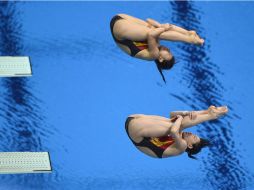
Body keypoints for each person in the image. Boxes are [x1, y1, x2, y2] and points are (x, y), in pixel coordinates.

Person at [110, 13, 204, 82]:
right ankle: (188, 33)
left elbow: (151, 34)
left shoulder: (154, 55)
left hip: (119, 28)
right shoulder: (155, 47)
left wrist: (163, 28)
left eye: (169, 53)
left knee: (157, 32)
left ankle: (190, 39)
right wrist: (160, 26)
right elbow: (149, 20)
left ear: (161, 59)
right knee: (157, 29)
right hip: (122, 21)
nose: (169, 50)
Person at [125, 105, 228, 159]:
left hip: (135, 130)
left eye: (194, 137)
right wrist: (185, 113)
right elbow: (172, 114)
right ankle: (206, 112)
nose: (192, 134)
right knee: (173, 121)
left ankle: (212, 115)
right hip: (133, 121)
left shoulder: (181, 147)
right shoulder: (178, 138)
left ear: (190, 146)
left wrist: (179, 118)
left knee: (177, 125)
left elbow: (174, 131)